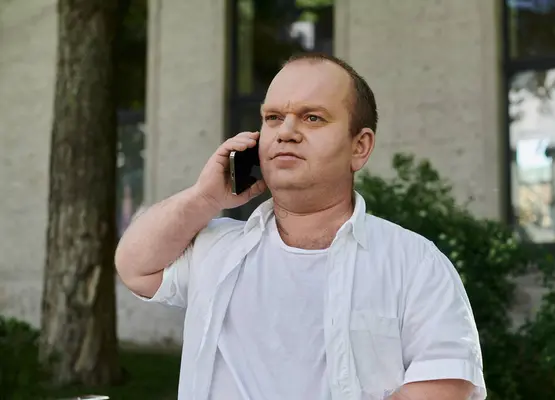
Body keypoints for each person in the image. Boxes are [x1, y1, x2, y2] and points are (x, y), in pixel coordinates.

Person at [115, 53, 486, 400]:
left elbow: (443, 384)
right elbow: (135, 267)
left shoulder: (414, 262)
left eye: (312, 118)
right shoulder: (217, 248)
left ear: (359, 146)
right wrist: (203, 199)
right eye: (273, 117)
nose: (286, 131)